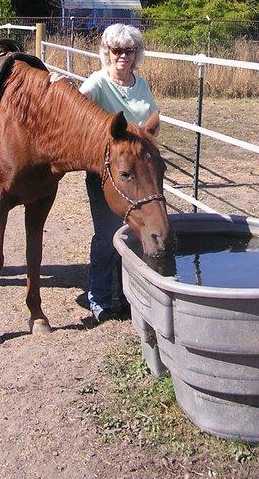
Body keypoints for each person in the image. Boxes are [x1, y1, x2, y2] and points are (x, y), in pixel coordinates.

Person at [79, 23, 159, 323]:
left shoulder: (141, 85)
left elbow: (153, 119)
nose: (123, 56)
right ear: (107, 52)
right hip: (109, 174)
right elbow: (77, 105)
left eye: (129, 50)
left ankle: (126, 295)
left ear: (136, 54)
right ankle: (98, 297)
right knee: (106, 234)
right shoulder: (98, 82)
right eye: (117, 50)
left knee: (133, 234)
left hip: (137, 174)